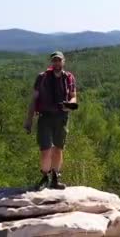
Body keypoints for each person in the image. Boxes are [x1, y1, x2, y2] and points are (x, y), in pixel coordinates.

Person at [24, 51, 77, 190]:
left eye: (59, 60)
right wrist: (29, 120)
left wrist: (70, 105)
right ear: (51, 62)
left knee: (58, 149)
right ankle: (44, 177)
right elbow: (34, 100)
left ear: (63, 61)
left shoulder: (69, 77)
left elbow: (73, 97)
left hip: (61, 117)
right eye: (54, 60)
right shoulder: (42, 78)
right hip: (45, 117)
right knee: (45, 149)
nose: (57, 63)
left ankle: (55, 178)